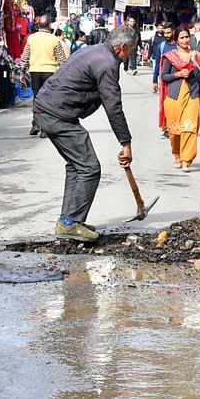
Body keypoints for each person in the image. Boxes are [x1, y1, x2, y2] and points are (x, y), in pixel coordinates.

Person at [32, 25, 138, 242]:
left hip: (48, 108)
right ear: (123, 47)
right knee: (89, 168)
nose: (131, 55)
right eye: (131, 51)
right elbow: (113, 105)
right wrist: (125, 143)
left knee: (77, 166)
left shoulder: (93, 50)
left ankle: (68, 220)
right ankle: (71, 223)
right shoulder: (107, 63)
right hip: (56, 113)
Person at [161, 26, 200, 173]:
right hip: (174, 98)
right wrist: (178, 74)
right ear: (177, 40)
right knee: (175, 131)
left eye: (187, 37)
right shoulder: (170, 57)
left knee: (190, 128)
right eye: (182, 37)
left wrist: (195, 63)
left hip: (192, 96)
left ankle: (186, 160)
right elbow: (164, 76)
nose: (185, 40)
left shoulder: (197, 56)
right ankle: (177, 155)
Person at [20, 14, 67, 137]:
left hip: (34, 71)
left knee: (37, 98)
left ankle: (36, 123)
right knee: (48, 100)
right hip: (50, 71)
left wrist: (21, 72)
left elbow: (25, 57)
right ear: (49, 26)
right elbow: (62, 60)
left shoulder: (31, 39)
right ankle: (45, 128)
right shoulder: (55, 40)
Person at [152, 22, 177, 137]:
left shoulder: (178, 46)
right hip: (164, 80)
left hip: (177, 79)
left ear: (173, 32)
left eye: (168, 32)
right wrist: (154, 81)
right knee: (165, 104)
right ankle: (166, 127)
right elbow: (157, 65)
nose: (166, 35)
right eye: (165, 33)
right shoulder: (161, 46)